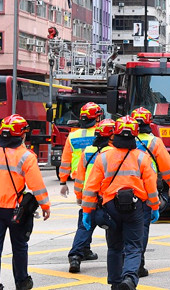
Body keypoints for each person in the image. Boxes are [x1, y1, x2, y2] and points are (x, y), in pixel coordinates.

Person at [81, 116, 159, 290]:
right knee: (134, 247)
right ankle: (129, 279)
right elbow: (151, 186)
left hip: (110, 207)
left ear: (114, 134)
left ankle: (116, 283)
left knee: (114, 247)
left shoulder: (103, 157)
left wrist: (87, 211)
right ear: (135, 134)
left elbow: (91, 187)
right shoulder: (142, 158)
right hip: (135, 207)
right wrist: (154, 207)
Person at [0, 115, 51, 290]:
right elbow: (37, 185)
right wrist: (45, 206)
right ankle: (22, 282)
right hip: (16, 210)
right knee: (20, 247)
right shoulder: (26, 156)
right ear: (21, 134)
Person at [131, 107, 170, 278]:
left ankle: (123, 263)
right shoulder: (154, 142)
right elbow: (167, 168)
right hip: (145, 191)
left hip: (119, 190)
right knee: (141, 228)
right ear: (149, 123)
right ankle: (138, 264)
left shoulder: (119, 140)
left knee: (121, 229)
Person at [60, 102, 103, 271]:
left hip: (82, 182)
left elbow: (65, 161)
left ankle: (81, 252)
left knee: (86, 218)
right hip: (103, 183)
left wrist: (63, 182)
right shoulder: (104, 134)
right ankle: (121, 257)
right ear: (97, 117)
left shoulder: (73, 136)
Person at [70, 118, 116, 273]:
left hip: (89, 197)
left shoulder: (87, 151)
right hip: (107, 198)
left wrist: (79, 195)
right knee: (113, 229)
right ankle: (117, 258)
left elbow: (80, 177)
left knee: (84, 227)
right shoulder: (113, 153)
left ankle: (75, 257)